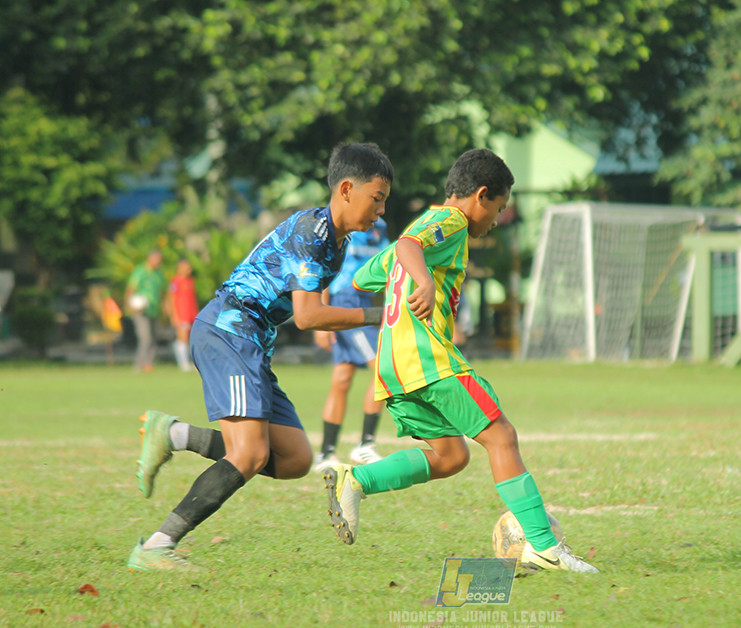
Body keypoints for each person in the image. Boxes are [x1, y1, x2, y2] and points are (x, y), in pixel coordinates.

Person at [322, 149, 598, 574]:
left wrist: (407, 277)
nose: (496, 220)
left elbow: (364, 277)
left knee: (451, 456)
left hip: (393, 369)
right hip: (427, 360)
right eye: (499, 208)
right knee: (501, 436)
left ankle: (356, 480)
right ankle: (544, 546)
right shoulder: (450, 221)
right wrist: (423, 281)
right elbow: (411, 244)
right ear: (480, 195)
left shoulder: (435, 236)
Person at [127, 142, 394, 571]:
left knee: (294, 460)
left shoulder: (336, 242)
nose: (380, 211)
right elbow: (308, 317)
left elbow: (313, 310)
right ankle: (157, 545)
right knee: (249, 454)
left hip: (253, 342)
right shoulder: (313, 234)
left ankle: (173, 434)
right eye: (376, 199)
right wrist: (378, 315)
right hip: (229, 331)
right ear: (347, 189)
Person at [312, 218, 390, 470]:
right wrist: (321, 315)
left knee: (342, 377)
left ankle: (326, 453)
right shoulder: (347, 223)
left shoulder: (380, 229)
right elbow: (325, 268)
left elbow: (389, 268)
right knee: (382, 369)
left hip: (364, 303)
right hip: (344, 302)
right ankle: (365, 445)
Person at [125, 249, 165, 372]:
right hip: (140, 311)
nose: (159, 262)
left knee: (153, 337)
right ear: (150, 258)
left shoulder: (159, 273)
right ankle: (139, 364)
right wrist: (129, 305)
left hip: (154, 310)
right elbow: (131, 288)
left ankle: (148, 364)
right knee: (145, 338)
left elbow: (162, 291)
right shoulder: (140, 271)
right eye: (157, 259)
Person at [166, 258, 199, 371]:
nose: (189, 269)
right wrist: (174, 315)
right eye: (186, 267)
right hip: (182, 313)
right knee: (182, 337)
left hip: (191, 313)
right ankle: (183, 363)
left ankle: (191, 362)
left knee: (191, 338)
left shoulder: (190, 280)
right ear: (180, 267)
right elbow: (171, 298)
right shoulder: (176, 282)